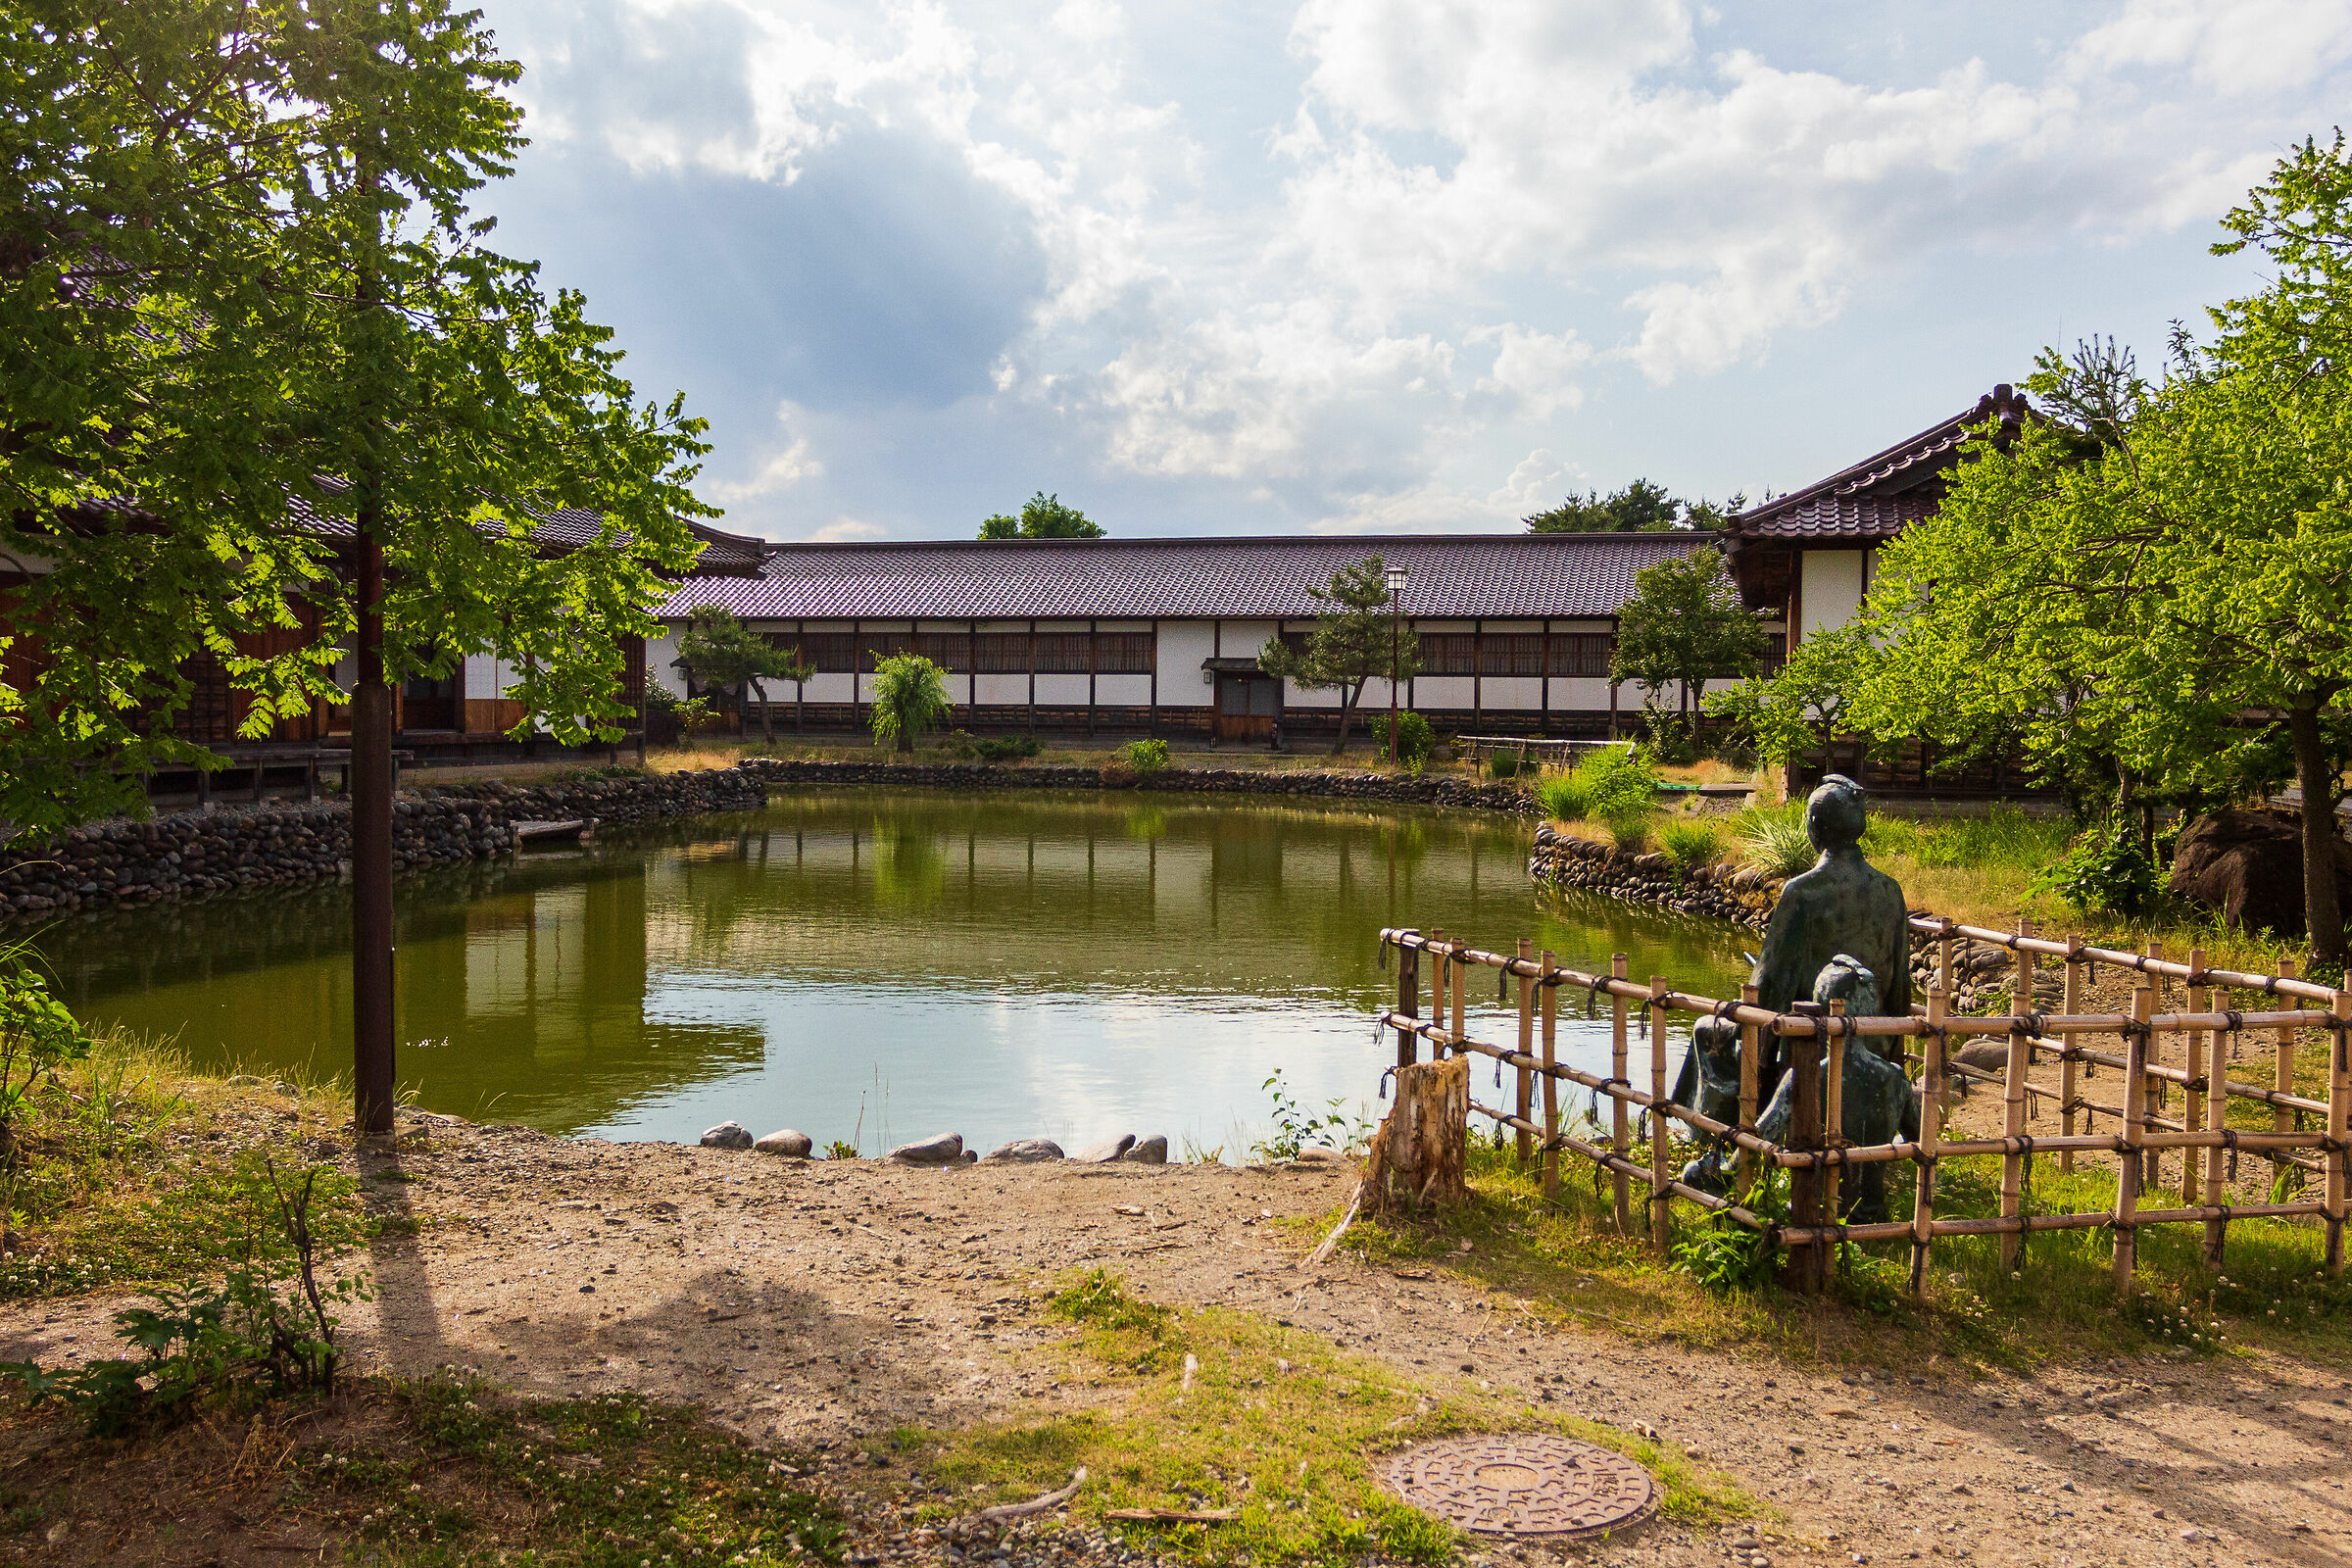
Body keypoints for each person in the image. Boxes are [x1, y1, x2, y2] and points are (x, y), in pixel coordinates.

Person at [1748, 775, 1913, 1088]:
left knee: (1707, 1029)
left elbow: (1771, 983)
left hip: (1807, 1042)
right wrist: (1894, 1047)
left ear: (1815, 824)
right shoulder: (1890, 891)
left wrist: (1756, 1044)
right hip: (1875, 1039)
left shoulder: (1801, 892)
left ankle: (1702, 1129)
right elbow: (1900, 984)